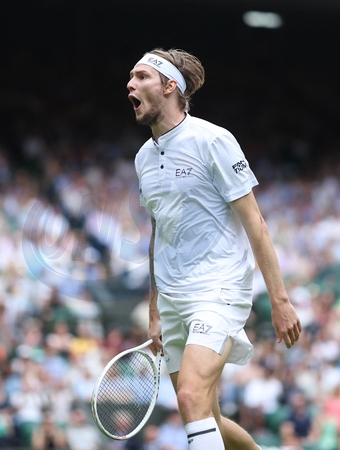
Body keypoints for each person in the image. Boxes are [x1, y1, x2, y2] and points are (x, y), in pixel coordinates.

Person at [128, 48, 302, 450]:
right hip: (172, 297)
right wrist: (155, 309)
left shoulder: (213, 140)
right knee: (206, 415)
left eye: (141, 76)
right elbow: (158, 232)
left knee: (190, 397)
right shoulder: (143, 158)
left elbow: (255, 222)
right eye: (131, 78)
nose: (130, 84)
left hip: (218, 289)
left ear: (170, 87)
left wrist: (279, 300)